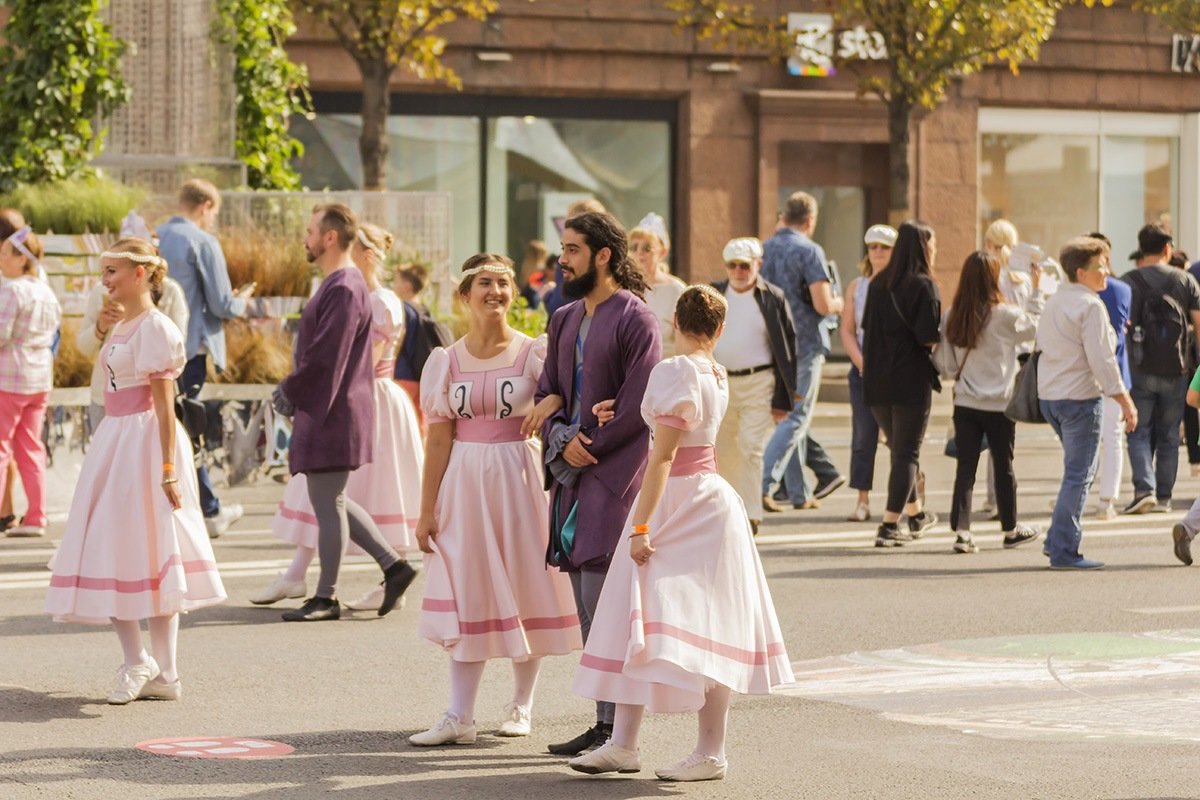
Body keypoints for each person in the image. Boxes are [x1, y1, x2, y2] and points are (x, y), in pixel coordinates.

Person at [566, 286, 793, 782]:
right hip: (712, 499)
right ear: (720, 329)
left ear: (674, 321)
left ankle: (632, 743)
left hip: (677, 502)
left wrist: (641, 525)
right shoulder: (715, 371)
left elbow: (663, 456)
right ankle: (696, 748)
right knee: (706, 622)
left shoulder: (674, 371)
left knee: (639, 612)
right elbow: (672, 434)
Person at [407, 253, 582, 746]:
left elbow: (564, 400)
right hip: (464, 482)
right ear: (465, 294)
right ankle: (458, 715)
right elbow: (438, 438)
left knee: (526, 583)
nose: (496, 292)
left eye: (504, 283)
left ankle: (521, 705)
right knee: (469, 588)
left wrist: (546, 404)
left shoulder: (534, 353)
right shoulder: (446, 361)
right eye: (485, 283)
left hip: (520, 477)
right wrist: (426, 509)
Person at [44, 237, 226, 703]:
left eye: (112, 272)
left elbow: (166, 409)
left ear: (140, 274)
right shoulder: (122, 325)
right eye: (103, 272)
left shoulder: (156, 329)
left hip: (145, 443)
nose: (105, 281)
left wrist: (168, 468)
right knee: (111, 545)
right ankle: (136, 660)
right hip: (115, 441)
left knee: (153, 549)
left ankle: (165, 671)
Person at [533, 210, 661, 756]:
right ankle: (606, 725)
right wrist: (566, 438)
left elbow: (639, 406)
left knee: (601, 597)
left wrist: (591, 445)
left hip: (616, 475)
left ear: (603, 255)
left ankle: (617, 731)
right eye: (562, 250)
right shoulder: (562, 319)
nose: (562, 260)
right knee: (587, 602)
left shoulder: (637, 319)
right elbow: (549, 390)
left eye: (573, 250)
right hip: (573, 471)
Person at [255, 223, 424, 612]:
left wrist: (296, 389)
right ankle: (385, 567)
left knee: (341, 495)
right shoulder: (353, 290)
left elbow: (348, 358)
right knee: (331, 496)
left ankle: (331, 588)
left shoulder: (368, 296)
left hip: (358, 398)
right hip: (352, 395)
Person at [157, 179, 253, 538]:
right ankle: (209, 508)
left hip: (149, 343)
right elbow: (221, 304)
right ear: (206, 206)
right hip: (188, 346)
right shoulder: (203, 241)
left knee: (162, 426)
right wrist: (242, 300)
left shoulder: (155, 235)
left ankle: (193, 505)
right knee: (187, 425)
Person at [1038, 237, 1138, 570]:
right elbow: (1103, 360)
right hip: (1080, 397)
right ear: (1081, 271)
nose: (1106, 271)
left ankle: (1056, 539)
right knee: (1079, 475)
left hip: (1051, 397)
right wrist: (1124, 400)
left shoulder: (1055, 302)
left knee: (1075, 472)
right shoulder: (1090, 306)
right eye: (1100, 265)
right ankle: (1065, 549)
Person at [937, 251, 1044, 554]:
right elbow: (1035, 326)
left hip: (966, 403)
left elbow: (945, 363)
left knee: (966, 468)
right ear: (993, 279)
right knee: (1004, 466)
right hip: (999, 404)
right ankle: (1010, 529)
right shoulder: (1005, 315)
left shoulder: (952, 315)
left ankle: (962, 532)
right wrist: (1036, 287)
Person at [760, 192, 845, 512]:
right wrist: (839, 303)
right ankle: (765, 482)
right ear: (810, 221)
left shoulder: (764, 249)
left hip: (774, 343)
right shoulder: (810, 251)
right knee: (795, 417)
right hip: (805, 342)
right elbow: (823, 303)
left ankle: (799, 492)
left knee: (790, 416)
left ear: (784, 216)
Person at [860, 221, 941, 547]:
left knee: (900, 451)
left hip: (877, 381)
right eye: (933, 244)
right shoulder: (924, 285)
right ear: (923, 247)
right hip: (909, 379)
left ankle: (917, 514)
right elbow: (928, 337)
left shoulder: (879, 283)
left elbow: (867, 330)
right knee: (906, 452)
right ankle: (889, 525)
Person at [711, 237, 796, 536]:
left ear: (757, 265)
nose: (738, 271)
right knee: (724, 449)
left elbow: (788, 348)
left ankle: (751, 513)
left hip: (760, 381)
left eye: (744, 265)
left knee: (751, 447)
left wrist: (785, 397)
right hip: (721, 380)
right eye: (732, 265)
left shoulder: (772, 297)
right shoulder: (714, 293)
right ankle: (730, 510)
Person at [1120, 224, 1200, 515]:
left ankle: (1145, 490)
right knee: (1168, 434)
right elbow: (1199, 326)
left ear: (1142, 250)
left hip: (1139, 368)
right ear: (1168, 248)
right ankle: (1164, 497)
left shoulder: (1127, 281)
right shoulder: (1186, 280)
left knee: (1138, 431)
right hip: (1177, 369)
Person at [0, 228, 60, 537]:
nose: (2, 258)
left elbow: (2, 334)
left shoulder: (12, 291)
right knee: (31, 447)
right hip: (40, 378)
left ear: (22, 260)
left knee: (1, 446)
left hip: (10, 376)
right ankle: (36, 516)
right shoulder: (46, 292)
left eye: (7, 253)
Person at [77, 273, 189, 433]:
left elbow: (177, 346)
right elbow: (83, 347)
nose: (107, 278)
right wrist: (101, 326)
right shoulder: (102, 290)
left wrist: (133, 318)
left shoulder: (171, 291)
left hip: (150, 403)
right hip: (104, 397)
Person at [839, 224, 895, 522]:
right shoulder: (857, 287)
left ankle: (911, 490)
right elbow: (847, 331)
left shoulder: (901, 285)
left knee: (898, 440)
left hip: (893, 373)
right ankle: (862, 500)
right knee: (864, 437)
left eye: (884, 247)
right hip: (863, 372)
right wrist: (862, 363)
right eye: (873, 247)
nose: (877, 252)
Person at [1087, 232, 1132, 520]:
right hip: (1114, 370)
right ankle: (1107, 500)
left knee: (1090, 438)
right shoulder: (1121, 289)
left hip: (1091, 374)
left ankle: (1103, 498)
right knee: (1111, 437)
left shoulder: (1105, 289)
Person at [629, 213, 686, 359]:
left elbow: (686, 340)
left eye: (647, 248)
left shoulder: (677, 290)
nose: (639, 253)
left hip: (665, 372)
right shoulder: (624, 287)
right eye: (634, 247)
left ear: (663, 252)